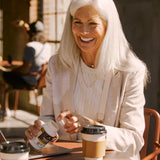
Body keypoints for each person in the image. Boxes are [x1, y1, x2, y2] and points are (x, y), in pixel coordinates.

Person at [25, 0, 149, 159]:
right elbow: (47, 117)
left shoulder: (130, 71)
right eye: (77, 22)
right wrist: (42, 129)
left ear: (108, 27)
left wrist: (92, 127)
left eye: (92, 23)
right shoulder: (57, 65)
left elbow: (134, 138)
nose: (83, 31)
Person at [1, 20, 52, 117]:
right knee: (5, 83)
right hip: (40, 80)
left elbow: (25, 69)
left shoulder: (30, 46)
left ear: (30, 32)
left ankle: (4, 109)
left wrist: (13, 70)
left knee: (2, 77)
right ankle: (5, 109)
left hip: (28, 80)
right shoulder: (47, 46)